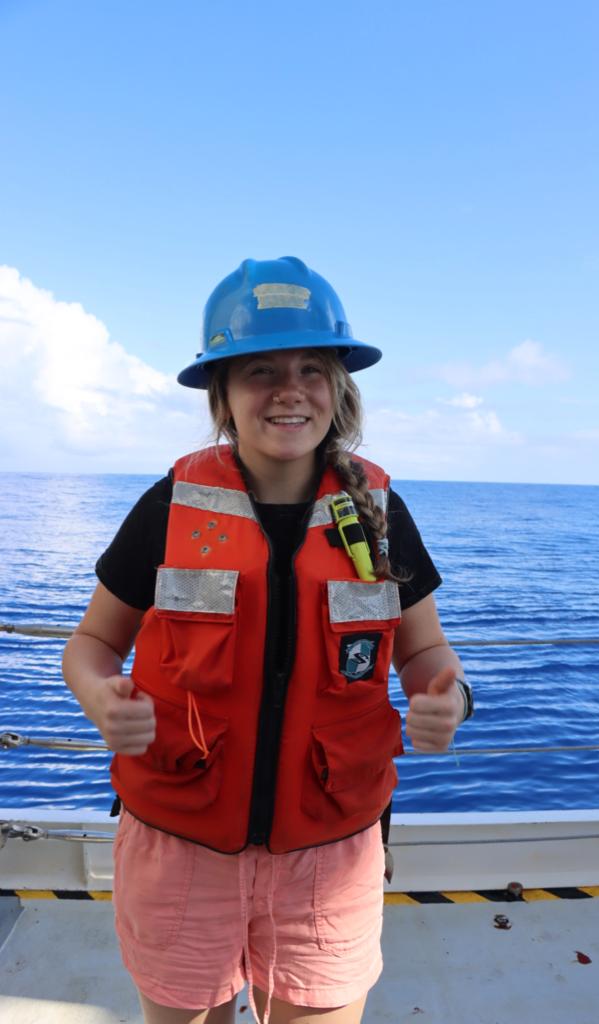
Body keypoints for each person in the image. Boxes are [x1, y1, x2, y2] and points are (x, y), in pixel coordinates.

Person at [62, 257, 473, 1024]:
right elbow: (90, 644)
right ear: (220, 394)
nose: (290, 390)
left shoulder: (380, 512)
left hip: (330, 853)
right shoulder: (168, 506)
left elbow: (426, 655)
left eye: (312, 369)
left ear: (339, 388)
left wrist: (445, 697)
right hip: (179, 846)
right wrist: (98, 698)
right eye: (259, 371)